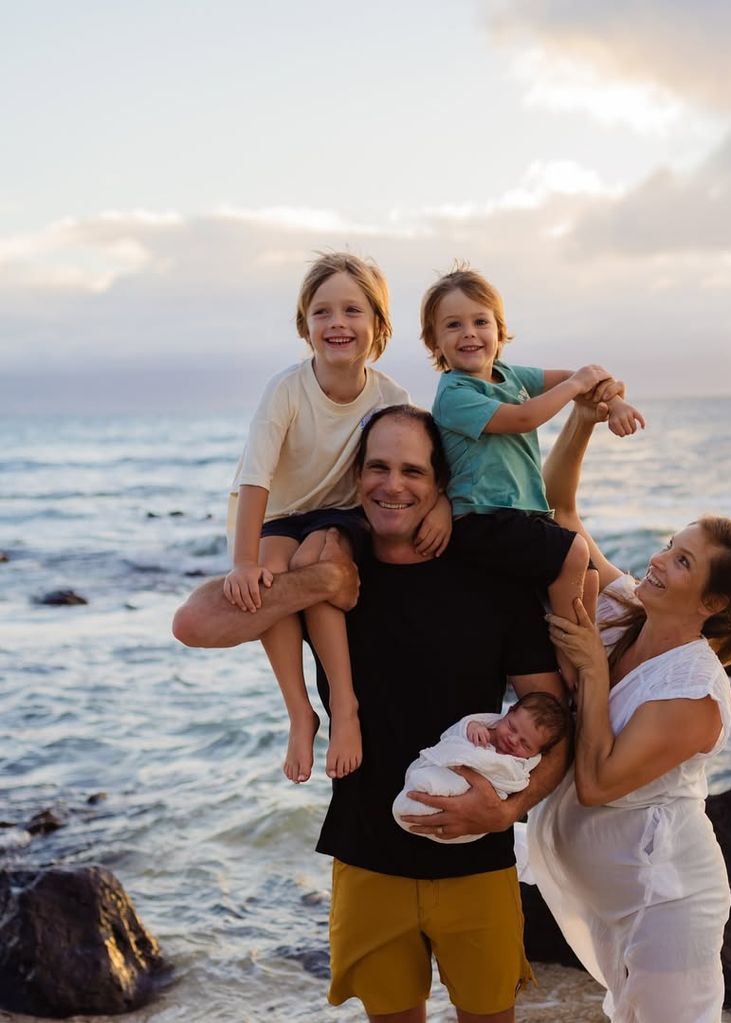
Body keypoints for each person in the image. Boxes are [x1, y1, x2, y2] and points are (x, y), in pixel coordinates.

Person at [173, 405, 569, 1023]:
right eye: (378, 467)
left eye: (413, 471)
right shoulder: (325, 564)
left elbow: (556, 723)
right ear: (355, 476)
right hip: (366, 856)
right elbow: (194, 623)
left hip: (477, 857)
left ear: (439, 484)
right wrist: (319, 583)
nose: (393, 485)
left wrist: (509, 809)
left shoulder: (493, 583)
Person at [527, 397, 731, 1023]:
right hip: (618, 900)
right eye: (670, 545)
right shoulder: (625, 610)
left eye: (682, 561)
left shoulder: (695, 692)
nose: (659, 559)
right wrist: (582, 419)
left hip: (668, 903)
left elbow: (599, 782)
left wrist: (588, 669)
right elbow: (559, 512)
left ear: (712, 601)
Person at [223, 251, 449, 785]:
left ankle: (343, 707)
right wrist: (242, 562)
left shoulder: (391, 397)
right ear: (305, 326)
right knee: (273, 574)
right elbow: (255, 477)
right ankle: (300, 711)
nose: (338, 324)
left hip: (339, 516)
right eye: (322, 312)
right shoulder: (286, 389)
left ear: (378, 325)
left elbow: (427, 464)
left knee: (318, 559)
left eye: (352, 311)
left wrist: (440, 504)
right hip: (276, 511)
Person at [420, 265, 645, 685]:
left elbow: (591, 379)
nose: (469, 333)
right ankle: (575, 660)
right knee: (574, 550)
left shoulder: (512, 376)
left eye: (480, 321)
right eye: (453, 325)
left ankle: (577, 657)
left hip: (523, 515)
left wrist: (614, 404)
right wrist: (577, 384)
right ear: (435, 342)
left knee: (590, 577)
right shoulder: (455, 394)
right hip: (482, 518)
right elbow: (524, 417)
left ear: (499, 332)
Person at [392, 691, 569, 844]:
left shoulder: (517, 767)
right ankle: (424, 793)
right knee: (429, 782)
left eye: (525, 744)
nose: (513, 740)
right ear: (508, 713)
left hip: (475, 797)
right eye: (511, 727)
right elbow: (456, 735)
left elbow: (512, 784)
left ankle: (429, 796)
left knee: (441, 787)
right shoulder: (483, 729)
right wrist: (473, 727)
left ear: (535, 754)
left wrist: (488, 764)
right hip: (451, 768)